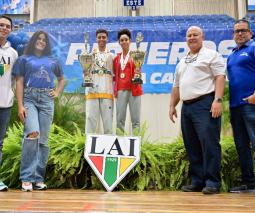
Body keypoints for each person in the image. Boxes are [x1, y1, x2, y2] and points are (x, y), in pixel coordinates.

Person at [169, 26, 225, 194]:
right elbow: (176, 86)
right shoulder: (182, 61)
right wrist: (172, 105)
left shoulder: (211, 55)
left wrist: (218, 99)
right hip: (187, 107)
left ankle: (213, 182)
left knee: (209, 143)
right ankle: (198, 181)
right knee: (191, 145)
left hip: (205, 103)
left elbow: (220, 77)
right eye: (189, 35)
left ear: (203, 37)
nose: (192, 37)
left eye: (195, 35)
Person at [13, 30, 65, 192]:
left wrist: (56, 92)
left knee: (43, 140)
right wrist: (20, 105)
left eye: (44, 40)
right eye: (38, 38)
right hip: (29, 98)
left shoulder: (53, 60)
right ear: (33, 40)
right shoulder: (24, 59)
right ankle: (27, 177)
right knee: (32, 134)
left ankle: (38, 178)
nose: (41, 41)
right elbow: (19, 82)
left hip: (47, 100)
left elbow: (62, 79)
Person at [227, 19, 255, 193]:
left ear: (250, 32)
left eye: (243, 30)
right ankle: (250, 182)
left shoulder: (253, 48)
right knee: (242, 146)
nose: (239, 34)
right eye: (236, 31)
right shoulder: (232, 54)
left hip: (251, 105)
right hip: (236, 107)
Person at [0, 15, 18, 191]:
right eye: (1, 25)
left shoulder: (13, 53)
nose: (4, 28)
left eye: (7, 26)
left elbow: (14, 79)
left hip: (5, 104)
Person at [113, 29, 142, 135]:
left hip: (134, 90)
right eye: (122, 40)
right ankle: (119, 145)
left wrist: (138, 72)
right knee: (120, 120)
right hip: (121, 91)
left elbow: (139, 72)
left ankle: (137, 146)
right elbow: (113, 75)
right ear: (119, 42)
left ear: (130, 41)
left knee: (136, 120)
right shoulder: (116, 58)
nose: (124, 41)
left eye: (126, 39)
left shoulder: (136, 55)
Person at [85, 29, 114, 134]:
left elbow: (115, 74)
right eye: (99, 37)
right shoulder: (90, 55)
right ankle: (87, 147)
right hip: (92, 91)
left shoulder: (112, 56)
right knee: (90, 120)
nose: (101, 39)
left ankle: (109, 147)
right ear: (96, 39)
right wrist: (85, 73)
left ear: (107, 39)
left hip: (107, 92)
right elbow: (86, 73)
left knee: (108, 123)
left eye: (104, 37)